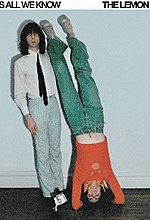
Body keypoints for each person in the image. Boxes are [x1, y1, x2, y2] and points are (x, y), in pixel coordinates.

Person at [39, 15, 125, 210]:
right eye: (97, 196)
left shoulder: (80, 175)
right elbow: (120, 198)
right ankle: (71, 36)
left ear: (85, 192)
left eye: (90, 197)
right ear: (102, 190)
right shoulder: (107, 174)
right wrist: (110, 200)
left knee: (63, 77)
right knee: (84, 74)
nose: (93, 194)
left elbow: (76, 205)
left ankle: (52, 39)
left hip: (77, 123)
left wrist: (80, 199)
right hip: (96, 119)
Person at [13, 21, 67, 211]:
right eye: (29, 34)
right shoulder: (20, 63)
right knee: (42, 150)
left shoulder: (48, 57)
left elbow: (62, 49)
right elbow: (19, 94)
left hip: (52, 104)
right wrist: (27, 116)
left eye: (36, 34)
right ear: (24, 38)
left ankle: (60, 188)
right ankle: (48, 191)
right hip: (35, 105)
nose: (33, 37)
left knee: (56, 149)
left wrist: (51, 31)